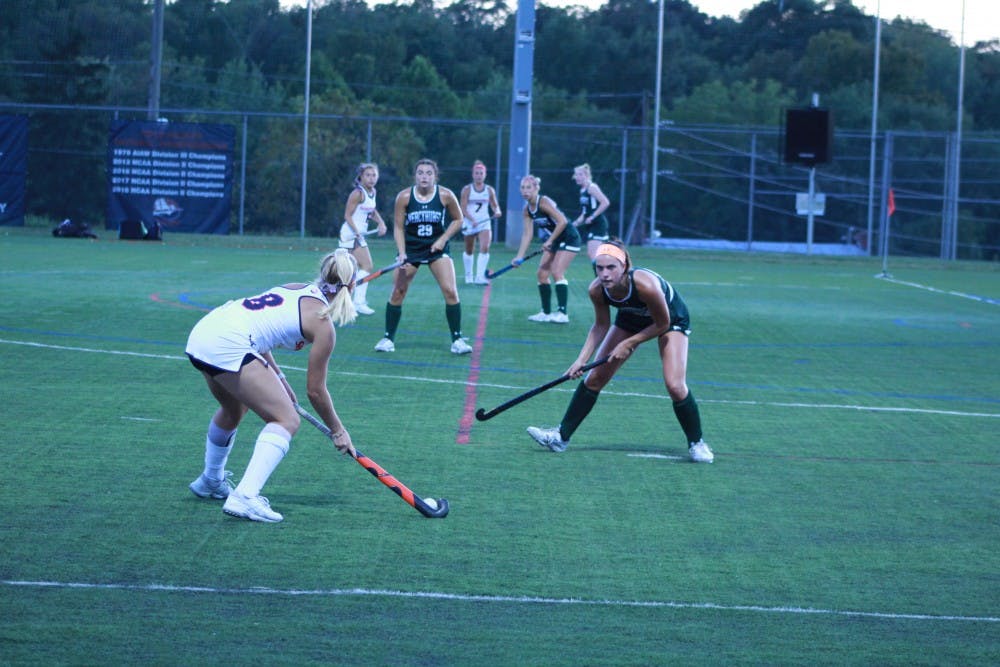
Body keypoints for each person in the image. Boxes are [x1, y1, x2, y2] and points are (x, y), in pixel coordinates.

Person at [185, 249, 361, 523]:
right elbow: (315, 391)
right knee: (286, 419)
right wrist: (339, 431)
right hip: (227, 342)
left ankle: (211, 480)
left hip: (205, 333)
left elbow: (260, 331)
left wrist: (279, 378)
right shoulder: (324, 325)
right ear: (352, 285)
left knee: (234, 409)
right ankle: (246, 496)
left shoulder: (295, 288)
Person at [526, 240, 714, 463]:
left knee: (674, 385)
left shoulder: (645, 285)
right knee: (594, 378)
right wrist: (580, 360)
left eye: (611, 267)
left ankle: (697, 443)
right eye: (599, 268)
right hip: (631, 318)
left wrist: (630, 343)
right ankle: (560, 437)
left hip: (671, 320)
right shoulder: (597, 290)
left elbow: (662, 323)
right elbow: (600, 326)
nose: (605, 274)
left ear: (624, 266)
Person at [374, 158, 473, 355]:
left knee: (450, 291)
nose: (424, 177)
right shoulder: (404, 197)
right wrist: (402, 253)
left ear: (435, 176)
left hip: (437, 250)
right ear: (415, 176)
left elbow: (458, 219)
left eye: (429, 173)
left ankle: (457, 340)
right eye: (420, 173)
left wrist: (443, 239)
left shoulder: (445, 195)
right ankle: (387, 339)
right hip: (411, 250)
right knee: (398, 292)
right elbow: (398, 228)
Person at [510, 174, 582, 324]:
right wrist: (519, 256)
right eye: (522, 188)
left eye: (528, 187)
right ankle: (546, 313)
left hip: (569, 237)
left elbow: (562, 221)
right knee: (542, 274)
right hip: (555, 240)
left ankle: (562, 314)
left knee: (557, 272)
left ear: (536, 188)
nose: (525, 191)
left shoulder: (543, 202)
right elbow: (527, 234)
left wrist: (549, 240)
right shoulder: (527, 210)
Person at [339, 162, 388, 315]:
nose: (371, 178)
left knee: (354, 270)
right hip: (350, 234)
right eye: (368, 175)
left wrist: (381, 223)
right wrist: (356, 232)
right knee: (364, 266)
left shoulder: (372, 191)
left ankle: (354, 303)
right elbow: (347, 215)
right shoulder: (357, 193)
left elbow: (371, 211)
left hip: (358, 235)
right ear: (361, 177)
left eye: (374, 175)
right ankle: (355, 303)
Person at [460, 160, 502, 285]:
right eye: (476, 173)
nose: (479, 176)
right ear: (473, 175)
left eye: (481, 173)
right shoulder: (467, 189)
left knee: (485, 247)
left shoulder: (489, 190)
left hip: (484, 223)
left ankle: (479, 277)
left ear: (485, 175)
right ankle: (469, 276)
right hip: (470, 223)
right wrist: (472, 220)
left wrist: (497, 211)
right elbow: (463, 208)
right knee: (469, 250)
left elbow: (494, 205)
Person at [571, 163, 612, 260]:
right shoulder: (582, 190)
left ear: (587, 175)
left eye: (580, 174)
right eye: (576, 175)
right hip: (592, 225)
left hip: (598, 224)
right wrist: (575, 223)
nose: (577, 177)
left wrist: (592, 217)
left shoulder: (592, 187)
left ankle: (606, 270)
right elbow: (585, 212)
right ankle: (611, 269)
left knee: (593, 254)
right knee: (601, 256)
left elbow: (605, 202)